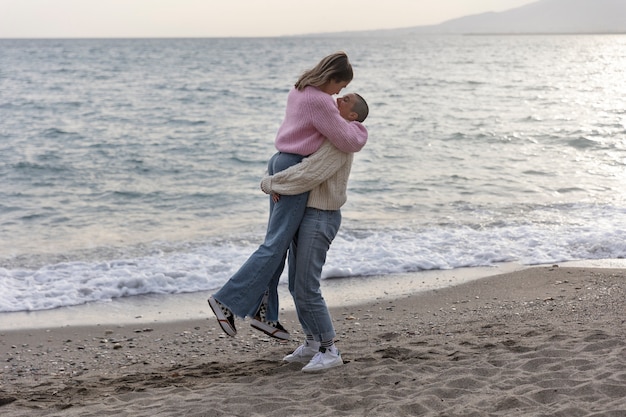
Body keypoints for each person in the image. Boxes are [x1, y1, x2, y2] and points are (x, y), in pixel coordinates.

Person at [207, 52, 368, 340]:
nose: (338, 94)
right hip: (294, 168)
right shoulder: (320, 101)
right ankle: (226, 300)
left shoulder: (301, 89)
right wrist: (359, 126)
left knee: (277, 245)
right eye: (340, 86)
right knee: (275, 245)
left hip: (281, 160)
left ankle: (264, 315)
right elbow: (348, 141)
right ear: (332, 78)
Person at [259, 93, 369, 372]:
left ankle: (329, 350)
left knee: (307, 287)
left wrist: (272, 182)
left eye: (346, 99)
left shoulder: (340, 141)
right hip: (308, 214)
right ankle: (311, 342)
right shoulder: (331, 135)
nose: (338, 98)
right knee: (297, 285)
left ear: (352, 115)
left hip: (321, 217)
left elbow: (309, 173)